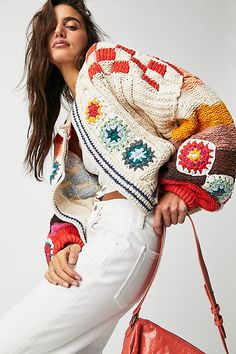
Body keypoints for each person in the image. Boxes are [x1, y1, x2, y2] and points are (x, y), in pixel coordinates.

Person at [0, 0, 235, 353]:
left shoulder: (107, 63)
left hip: (125, 238)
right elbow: (75, 205)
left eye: (71, 24)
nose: (60, 31)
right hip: (102, 240)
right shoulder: (68, 126)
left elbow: (200, 103)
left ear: (87, 36)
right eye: (51, 26)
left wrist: (182, 186)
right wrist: (65, 247)